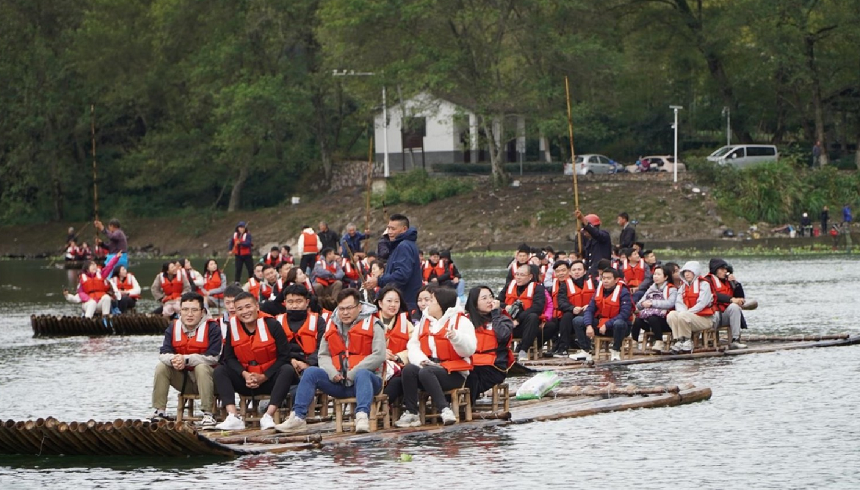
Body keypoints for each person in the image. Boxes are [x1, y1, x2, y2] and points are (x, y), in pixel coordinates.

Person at [275, 288, 386, 434]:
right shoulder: (332, 325)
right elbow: (323, 355)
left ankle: (362, 417)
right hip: (339, 382)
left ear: (359, 307)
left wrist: (353, 373)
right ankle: (298, 417)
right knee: (311, 372)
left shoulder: (374, 323)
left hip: (367, 383)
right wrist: (332, 372)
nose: (345, 313)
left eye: (349, 308)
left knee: (363, 373)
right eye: (341, 309)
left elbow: (379, 355)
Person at [214, 292, 304, 430]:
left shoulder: (272, 325)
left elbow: (284, 356)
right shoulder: (232, 327)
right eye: (240, 309)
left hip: (270, 380)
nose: (245, 312)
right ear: (235, 311)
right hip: (246, 380)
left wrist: (264, 376)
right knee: (220, 370)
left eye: (248, 306)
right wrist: (244, 374)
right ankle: (233, 416)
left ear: (257, 306)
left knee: (287, 370)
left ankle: (268, 416)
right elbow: (229, 357)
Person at [394, 287, 476, 427]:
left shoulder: (461, 322)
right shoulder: (423, 323)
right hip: (429, 367)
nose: (428, 304)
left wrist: (456, 338)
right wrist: (422, 361)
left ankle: (445, 409)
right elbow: (413, 346)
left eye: (432, 301)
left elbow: (469, 350)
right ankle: (412, 413)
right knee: (409, 370)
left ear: (441, 305)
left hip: (453, 374)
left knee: (427, 372)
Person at [150, 292, 222, 426]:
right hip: (185, 381)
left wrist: (186, 360)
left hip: (210, 381)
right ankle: (160, 412)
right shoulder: (173, 327)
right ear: (180, 311)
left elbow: (214, 357)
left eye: (194, 310)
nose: (189, 314)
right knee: (161, 366)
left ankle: (208, 413)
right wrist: (173, 360)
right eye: (185, 310)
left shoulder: (213, 328)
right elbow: (163, 353)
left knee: (201, 367)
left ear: (202, 312)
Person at [463, 285, 513, 404]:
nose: (489, 301)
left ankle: (466, 407)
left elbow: (502, 336)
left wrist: (495, 314)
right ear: (475, 303)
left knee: (472, 375)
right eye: (484, 298)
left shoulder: (503, 319)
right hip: (470, 362)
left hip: (494, 366)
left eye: (491, 297)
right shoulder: (466, 321)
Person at [363, 214, 421, 311]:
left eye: (393, 229)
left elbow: (402, 275)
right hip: (403, 301)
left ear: (404, 229)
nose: (389, 232)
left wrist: (379, 281)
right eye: (388, 228)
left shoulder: (404, 246)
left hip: (405, 302)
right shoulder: (403, 245)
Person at [572, 267, 632, 362]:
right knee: (578, 321)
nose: (605, 281)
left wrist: (607, 324)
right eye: (603, 278)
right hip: (601, 325)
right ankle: (586, 351)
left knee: (619, 323)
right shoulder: (598, 291)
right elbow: (590, 310)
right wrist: (588, 325)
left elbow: (624, 314)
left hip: (618, 327)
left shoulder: (624, 292)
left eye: (608, 278)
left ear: (616, 280)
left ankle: (616, 351)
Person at [374, 285, 414, 404]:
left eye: (397, 301)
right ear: (380, 303)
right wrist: (379, 354)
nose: (393, 305)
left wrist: (397, 356)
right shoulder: (369, 320)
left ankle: (380, 408)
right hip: (374, 366)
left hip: (396, 368)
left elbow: (415, 346)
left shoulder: (406, 324)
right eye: (389, 301)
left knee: (399, 381)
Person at [546, 260, 595, 357]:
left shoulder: (594, 282)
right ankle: (563, 348)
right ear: (571, 272)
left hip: (591, 313)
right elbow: (561, 302)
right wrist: (572, 308)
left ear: (585, 271)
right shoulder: (565, 285)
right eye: (574, 270)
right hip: (573, 312)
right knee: (566, 316)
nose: (577, 272)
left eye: (579, 269)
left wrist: (590, 306)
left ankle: (581, 347)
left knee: (571, 318)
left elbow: (600, 298)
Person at [499, 263, 546, 361]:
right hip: (508, 323)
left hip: (526, 325)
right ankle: (499, 352)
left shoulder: (538, 288)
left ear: (530, 277)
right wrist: (506, 306)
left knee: (533, 316)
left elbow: (537, 308)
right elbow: (498, 302)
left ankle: (523, 350)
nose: (518, 278)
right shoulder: (509, 286)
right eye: (517, 274)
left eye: (522, 275)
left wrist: (519, 320)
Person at [666, 261, 715, 353]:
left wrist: (687, 313)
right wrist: (683, 312)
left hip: (704, 319)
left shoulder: (704, 284)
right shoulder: (683, 286)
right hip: (687, 316)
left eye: (689, 271)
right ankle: (679, 340)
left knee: (683, 315)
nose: (687, 274)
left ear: (695, 271)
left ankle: (687, 341)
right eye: (685, 272)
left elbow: (702, 304)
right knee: (671, 315)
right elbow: (679, 303)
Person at [275, 285, 326, 367]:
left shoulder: (318, 321)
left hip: (312, 364)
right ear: (285, 303)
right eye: (290, 302)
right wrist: (290, 360)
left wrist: (308, 364)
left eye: (299, 301)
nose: (294, 306)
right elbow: (273, 349)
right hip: (285, 363)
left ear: (307, 302)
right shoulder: (277, 321)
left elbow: (323, 347)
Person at [706, 258, 748, 349]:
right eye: (722, 269)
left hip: (725, 315)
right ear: (715, 270)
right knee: (717, 313)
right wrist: (731, 299)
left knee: (734, 307)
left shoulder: (728, 282)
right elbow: (713, 295)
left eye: (726, 269)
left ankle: (735, 340)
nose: (725, 271)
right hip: (713, 315)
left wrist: (736, 284)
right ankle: (708, 340)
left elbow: (740, 298)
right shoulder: (707, 281)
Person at [633, 265, 677, 353]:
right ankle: (634, 342)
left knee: (653, 318)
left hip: (665, 320)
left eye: (659, 274)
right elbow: (638, 305)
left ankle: (659, 341)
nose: (655, 276)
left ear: (666, 277)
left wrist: (652, 303)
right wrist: (643, 304)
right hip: (648, 317)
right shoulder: (651, 289)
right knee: (637, 320)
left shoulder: (672, 289)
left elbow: (670, 303)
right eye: (654, 274)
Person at [574, 211, 612, 278]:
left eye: (586, 231)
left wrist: (583, 219)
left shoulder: (604, 236)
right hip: (591, 275)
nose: (584, 234)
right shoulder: (590, 241)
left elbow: (596, 233)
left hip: (601, 275)